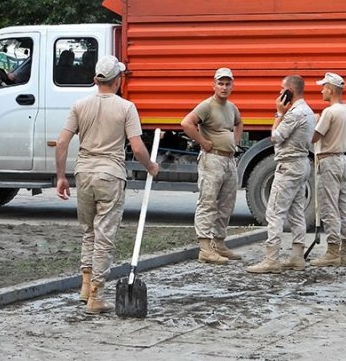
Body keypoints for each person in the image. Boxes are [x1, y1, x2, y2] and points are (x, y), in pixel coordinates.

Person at [55, 55, 159, 315]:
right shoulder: (126, 108)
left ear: (95, 80)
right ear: (118, 81)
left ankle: (85, 284)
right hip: (110, 175)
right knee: (104, 237)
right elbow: (136, 147)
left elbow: (62, 143)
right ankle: (96, 296)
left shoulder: (79, 105)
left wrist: (60, 176)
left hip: (84, 174)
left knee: (89, 231)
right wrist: (150, 166)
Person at [246, 75, 316, 274]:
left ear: (289, 92)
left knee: (274, 212)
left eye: (281, 90)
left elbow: (276, 137)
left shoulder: (294, 113)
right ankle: (297, 256)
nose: (279, 94)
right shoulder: (308, 111)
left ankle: (271, 259)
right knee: (296, 212)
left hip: (289, 165)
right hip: (302, 164)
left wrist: (278, 113)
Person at [181, 67, 243, 265]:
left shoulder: (231, 107)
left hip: (229, 159)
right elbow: (186, 123)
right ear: (214, 84)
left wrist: (234, 141)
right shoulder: (207, 106)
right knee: (208, 202)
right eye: (221, 83)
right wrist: (203, 141)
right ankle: (205, 248)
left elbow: (239, 123)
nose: (224, 87)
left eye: (227, 83)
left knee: (226, 203)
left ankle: (219, 243)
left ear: (232, 85)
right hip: (213, 159)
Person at [309, 72, 346, 268]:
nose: (321, 90)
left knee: (329, 206)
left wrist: (315, 120)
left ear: (330, 89)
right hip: (343, 160)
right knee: (344, 207)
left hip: (328, 160)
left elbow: (314, 137)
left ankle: (331, 251)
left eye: (323, 87)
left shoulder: (330, 112)